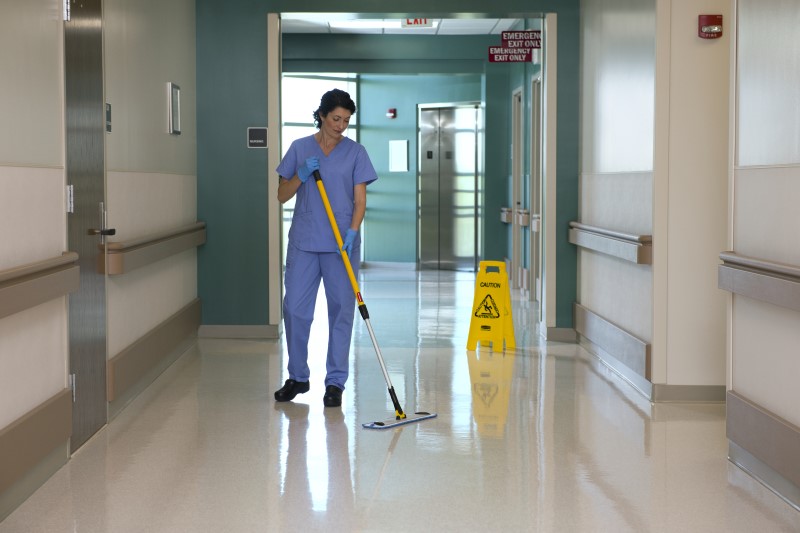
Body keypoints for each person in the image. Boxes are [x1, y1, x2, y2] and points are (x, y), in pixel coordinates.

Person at [274, 89, 378, 408]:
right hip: (305, 242)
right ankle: (298, 377)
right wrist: (301, 175)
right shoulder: (300, 148)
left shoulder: (356, 153)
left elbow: (360, 201)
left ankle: (335, 382)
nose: (341, 125)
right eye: (336, 118)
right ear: (322, 115)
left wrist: (352, 230)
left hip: (340, 246)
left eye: (346, 120)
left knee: (341, 313)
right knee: (294, 309)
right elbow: (281, 194)